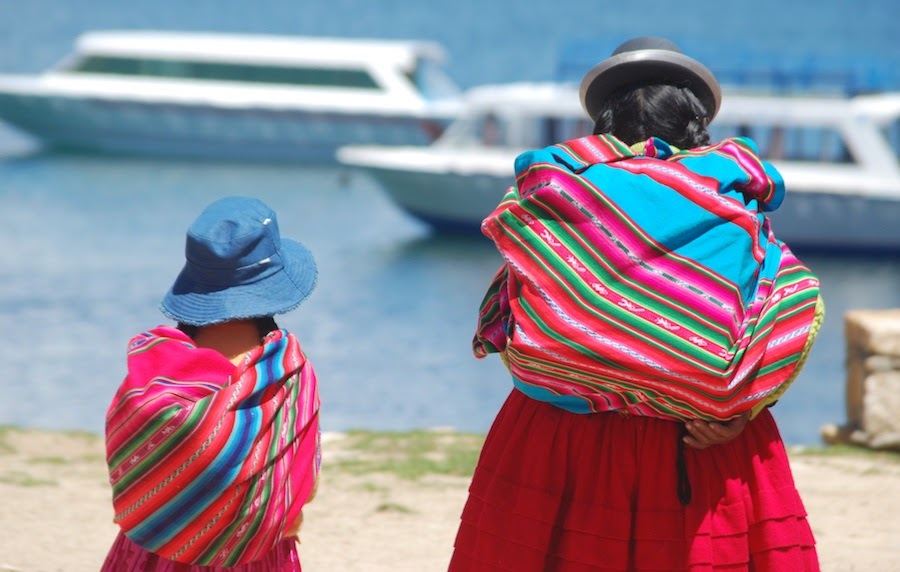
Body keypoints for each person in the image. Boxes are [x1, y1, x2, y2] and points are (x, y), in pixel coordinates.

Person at [448, 37, 825, 571]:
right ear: (695, 123)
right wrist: (737, 406)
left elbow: (520, 313)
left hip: (560, 442)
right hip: (703, 445)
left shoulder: (556, 195)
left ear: (604, 121)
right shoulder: (733, 202)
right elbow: (782, 305)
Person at [101, 196, 321, 571]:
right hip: (254, 556)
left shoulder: (156, 369)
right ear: (271, 285)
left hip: (152, 551)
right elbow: (304, 483)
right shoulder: (286, 372)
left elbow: (128, 464)